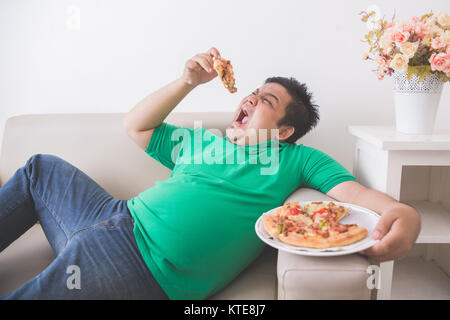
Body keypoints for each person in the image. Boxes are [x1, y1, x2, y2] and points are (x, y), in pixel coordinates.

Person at [0, 47, 421, 300]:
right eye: (252, 93)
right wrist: (187, 81)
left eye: (266, 101)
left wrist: (407, 216)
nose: (251, 98)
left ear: (284, 131)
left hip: (137, 262)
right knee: (41, 169)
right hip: (113, 216)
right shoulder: (205, 141)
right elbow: (137, 126)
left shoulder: (298, 159)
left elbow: (358, 196)